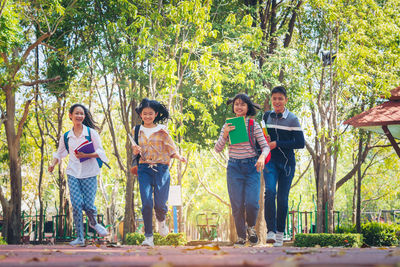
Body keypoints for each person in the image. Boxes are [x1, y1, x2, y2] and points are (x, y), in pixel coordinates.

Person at [49, 104, 109, 246]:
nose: (79, 116)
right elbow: (59, 153)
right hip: (73, 173)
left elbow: (101, 153)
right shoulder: (66, 136)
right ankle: (80, 238)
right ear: (70, 115)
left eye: (82, 113)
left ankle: (94, 223)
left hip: (90, 172)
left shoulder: (91, 133)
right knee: (76, 205)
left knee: (88, 206)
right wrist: (53, 164)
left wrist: (86, 154)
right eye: (76, 113)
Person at [214, 93, 270, 246]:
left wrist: (261, 158)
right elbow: (218, 148)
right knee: (237, 205)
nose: (239, 107)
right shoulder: (227, 126)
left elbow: (265, 146)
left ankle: (251, 227)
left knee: (252, 203)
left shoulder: (254, 125)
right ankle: (240, 236)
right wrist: (225, 134)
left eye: (242, 104)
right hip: (234, 168)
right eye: (236, 104)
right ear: (233, 107)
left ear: (247, 108)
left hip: (252, 167)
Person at [132, 98, 186, 247]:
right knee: (147, 203)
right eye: (145, 114)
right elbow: (134, 149)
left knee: (160, 204)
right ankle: (148, 237)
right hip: (144, 169)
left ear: (156, 114)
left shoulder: (162, 130)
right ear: (141, 115)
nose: (147, 116)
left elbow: (171, 148)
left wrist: (179, 157)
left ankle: (161, 220)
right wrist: (135, 150)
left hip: (161, 169)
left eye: (150, 113)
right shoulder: (136, 130)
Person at [262, 86, 305, 247]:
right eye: (274, 99)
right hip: (270, 161)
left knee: (282, 198)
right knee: (270, 191)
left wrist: (277, 143)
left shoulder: (292, 119)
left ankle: (280, 233)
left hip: (287, 164)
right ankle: (270, 231)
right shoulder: (267, 116)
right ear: (271, 100)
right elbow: (262, 137)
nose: (277, 101)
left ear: (286, 100)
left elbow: (300, 143)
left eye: (280, 98)